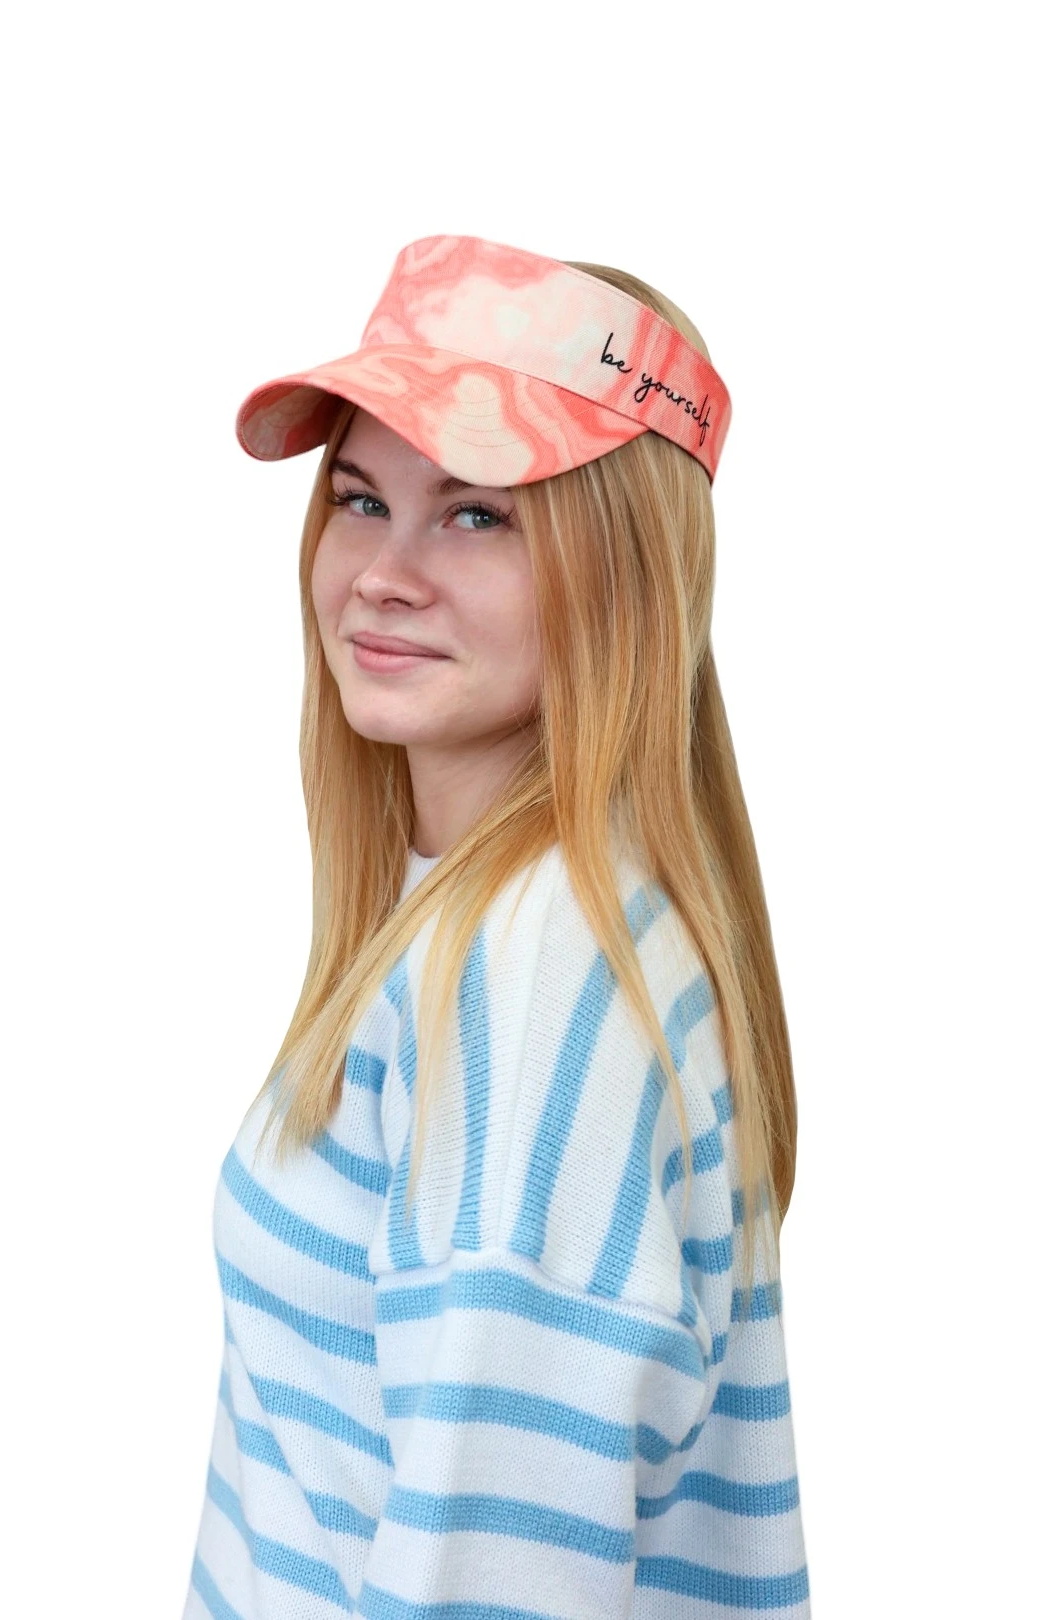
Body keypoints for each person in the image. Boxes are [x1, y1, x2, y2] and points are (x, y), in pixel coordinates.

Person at [181, 233, 812, 1618]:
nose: (382, 573)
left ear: (623, 568)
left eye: (477, 516)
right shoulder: (488, 923)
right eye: (361, 499)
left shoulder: (534, 981)